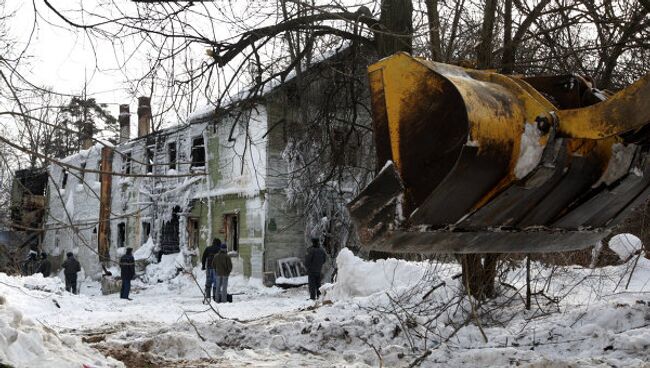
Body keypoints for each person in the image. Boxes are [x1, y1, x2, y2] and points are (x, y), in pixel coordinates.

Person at [201, 238, 221, 303]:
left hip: (209, 268)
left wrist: (203, 266)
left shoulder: (208, 248)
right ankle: (216, 298)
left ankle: (207, 298)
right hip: (216, 269)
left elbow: (203, 257)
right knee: (216, 283)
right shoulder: (219, 249)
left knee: (208, 283)